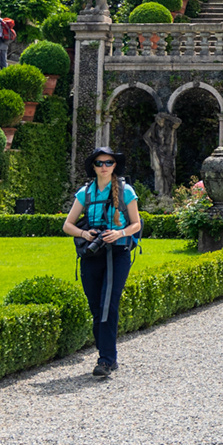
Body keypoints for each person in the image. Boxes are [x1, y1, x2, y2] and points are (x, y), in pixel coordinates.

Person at [62, 147, 143, 379]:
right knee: (96, 307)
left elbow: (136, 224)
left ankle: (105, 360)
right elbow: (67, 225)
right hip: (92, 253)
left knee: (109, 304)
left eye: (108, 163)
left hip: (117, 253)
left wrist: (118, 234)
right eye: (99, 163)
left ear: (115, 166)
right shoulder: (85, 193)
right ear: (94, 167)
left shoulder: (126, 191)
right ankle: (109, 354)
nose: (104, 167)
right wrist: (85, 234)